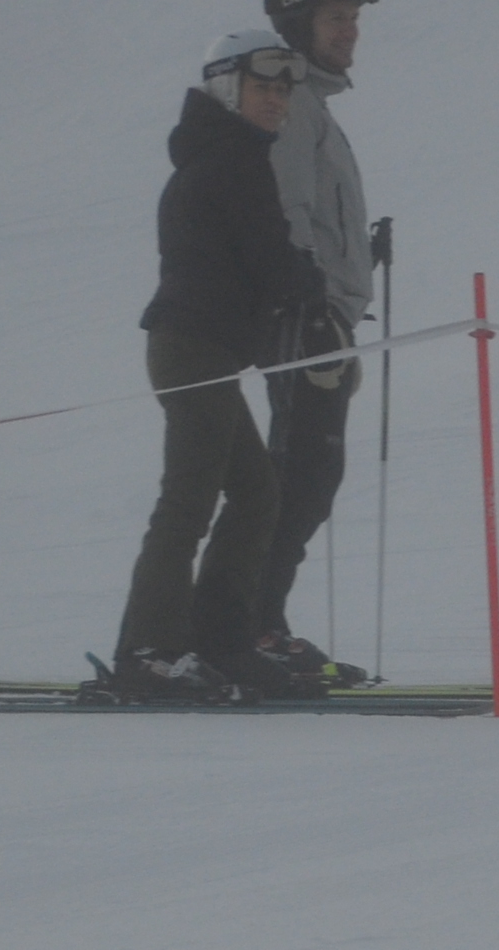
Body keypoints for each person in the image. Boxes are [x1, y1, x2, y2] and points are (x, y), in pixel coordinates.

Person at [105, 30, 328, 702]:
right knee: (191, 496)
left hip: (203, 350)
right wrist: (308, 282)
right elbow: (267, 257)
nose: (276, 100)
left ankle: (218, 639)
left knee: (256, 492)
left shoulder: (226, 154)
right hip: (192, 349)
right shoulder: (232, 159)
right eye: (263, 87)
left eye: (284, 89)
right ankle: (148, 652)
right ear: (228, 89)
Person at [251, 0, 376, 683]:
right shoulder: (295, 103)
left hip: (324, 317)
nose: (351, 30)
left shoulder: (310, 103)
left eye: (353, 16)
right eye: (335, 17)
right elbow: (288, 206)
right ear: (299, 25)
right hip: (307, 321)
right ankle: (253, 626)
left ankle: (258, 621)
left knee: (306, 473)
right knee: (303, 472)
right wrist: (312, 302)